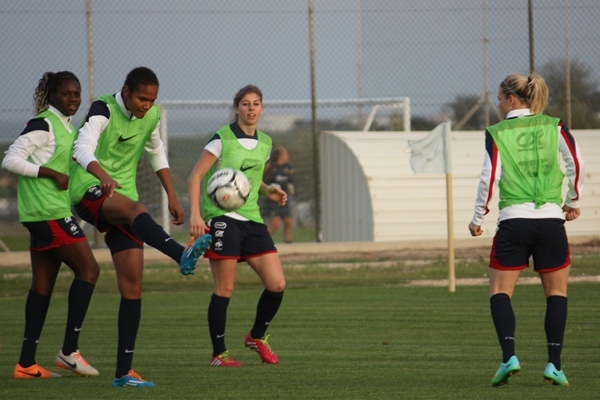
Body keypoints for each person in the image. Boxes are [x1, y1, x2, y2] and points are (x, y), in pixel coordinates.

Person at [68, 67, 211, 387]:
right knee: (137, 209)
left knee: (132, 287)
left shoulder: (152, 115)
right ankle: (180, 253)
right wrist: (102, 174)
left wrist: (173, 196)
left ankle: (123, 373)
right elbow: (81, 148)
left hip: (124, 201)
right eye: (142, 99)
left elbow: (156, 151)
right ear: (127, 92)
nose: (147, 105)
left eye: (152, 100)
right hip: (88, 191)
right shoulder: (103, 109)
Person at [468, 73, 584, 387]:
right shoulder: (554, 125)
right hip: (550, 220)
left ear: (511, 99)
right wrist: (572, 201)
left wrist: (477, 218)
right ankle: (555, 365)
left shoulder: (497, 132)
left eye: (499, 97)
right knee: (557, 294)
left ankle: (510, 357)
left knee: (500, 292)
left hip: (512, 221)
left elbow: (488, 178)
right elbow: (575, 162)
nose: (497, 102)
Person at [2, 71, 100, 379]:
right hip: (47, 213)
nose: (73, 99)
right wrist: (50, 174)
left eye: (77, 94)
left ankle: (26, 364)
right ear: (52, 96)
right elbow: (10, 159)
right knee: (89, 270)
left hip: (46, 212)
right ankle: (69, 352)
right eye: (67, 94)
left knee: (42, 286)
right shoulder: (43, 124)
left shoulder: (67, 127)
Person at [188, 84, 287, 367]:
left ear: (262, 109)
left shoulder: (266, 143)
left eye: (256, 103)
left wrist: (270, 191)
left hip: (252, 220)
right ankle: (219, 354)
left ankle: (257, 336)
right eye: (245, 103)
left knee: (277, 284)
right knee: (225, 288)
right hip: (222, 219)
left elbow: (246, 185)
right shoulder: (221, 139)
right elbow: (195, 177)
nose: (251, 108)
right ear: (236, 108)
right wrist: (196, 216)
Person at [261, 146, 295, 243]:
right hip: (273, 200)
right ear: (279, 156)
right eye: (285, 155)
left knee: (288, 221)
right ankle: (261, 240)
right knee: (275, 224)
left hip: (284, 198)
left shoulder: (288, 167)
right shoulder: (270, 167)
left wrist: (290, 187)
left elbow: (291, 180)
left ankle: (288, 242)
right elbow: (264, 181)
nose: (287, 157)